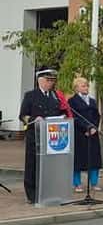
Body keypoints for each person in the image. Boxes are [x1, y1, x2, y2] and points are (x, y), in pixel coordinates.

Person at [20, 68, 66, 202]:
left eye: (52, 80)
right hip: (35, 135)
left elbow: (59, 112)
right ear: (40, 80)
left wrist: (62, 117)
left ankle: (47, 191)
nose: (51, 83)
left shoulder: (55, 96)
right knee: (32, 164)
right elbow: (23, 115)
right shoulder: (31, 95)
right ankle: (32, 194)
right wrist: (34, 119)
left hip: (51, 136)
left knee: (49, 166)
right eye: (48, 80)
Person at [68, 76, 101, 193]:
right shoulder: (72, 101)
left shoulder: (92, 101)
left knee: (94, 159)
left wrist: (94, 127)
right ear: (76, 88)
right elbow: (74, 117)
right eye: (83, 86)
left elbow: (97, 116)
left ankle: (94, 183)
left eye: (87, 85)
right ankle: (77, 184)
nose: (86, 88)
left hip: (93, 133)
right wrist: (85, 128)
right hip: (80, 134)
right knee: (78, 160)